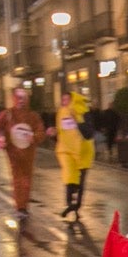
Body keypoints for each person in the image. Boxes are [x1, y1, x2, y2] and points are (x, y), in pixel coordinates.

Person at [0, 87, 45, 219]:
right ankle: (20, 206)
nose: (21, 100)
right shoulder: (7, 114)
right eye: (18, 97)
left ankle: (23, 206)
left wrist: (35, 137)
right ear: (14, 99)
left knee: (26, 179)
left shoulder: (33, 116)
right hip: (13, 151)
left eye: (24, 97)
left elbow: (40, 131)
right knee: (18, 178)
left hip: (28, 151)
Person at [54, 91, 94, 220]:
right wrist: (54, 134)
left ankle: (76, 206)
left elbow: (89, 133)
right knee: (69, 179)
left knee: (80, 183)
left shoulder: (83, 112)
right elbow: (63, 135)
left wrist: (76, 121)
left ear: (73, 100)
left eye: (67, 100)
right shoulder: (61, 113)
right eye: (63, 100)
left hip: (83, 154)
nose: (65, 103)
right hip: (67, 153)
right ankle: (70, 204)